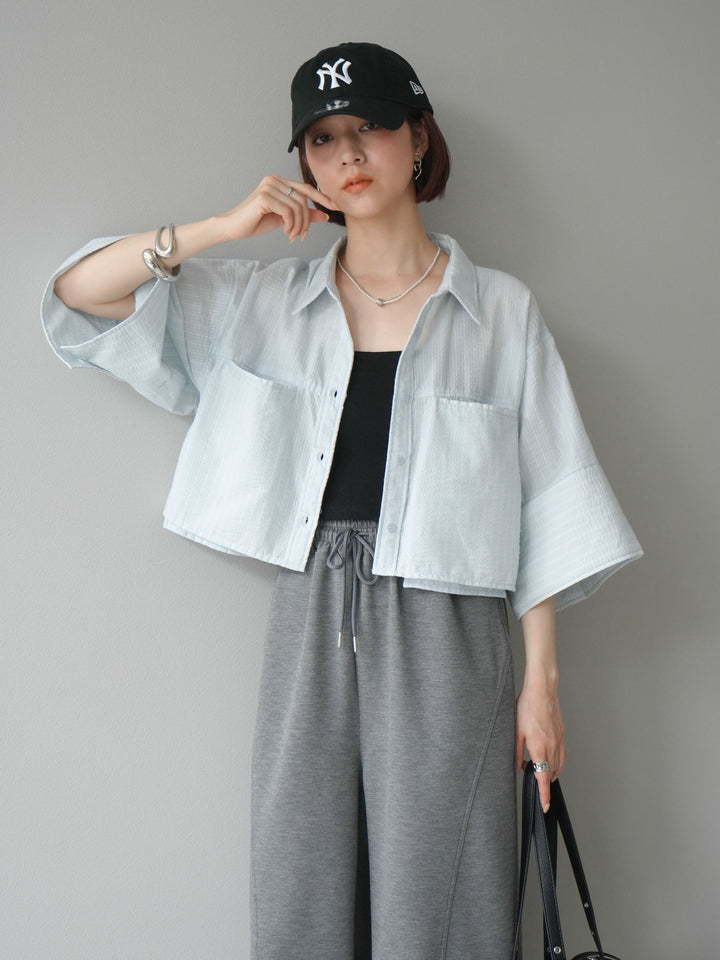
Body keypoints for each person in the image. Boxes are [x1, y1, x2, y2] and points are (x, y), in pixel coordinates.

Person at [42, 42, 642, 960]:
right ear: (304, 162)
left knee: (441, 894)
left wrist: (543, 686)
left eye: (371, 127)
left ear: (418, 139)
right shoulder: (265, 304)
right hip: (310, 609)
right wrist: (220, 228)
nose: (348, 154)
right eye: (322, 139)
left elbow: (546, 501)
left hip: (447, 620)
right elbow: (77, 294)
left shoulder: (500, 313)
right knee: (300, 881)